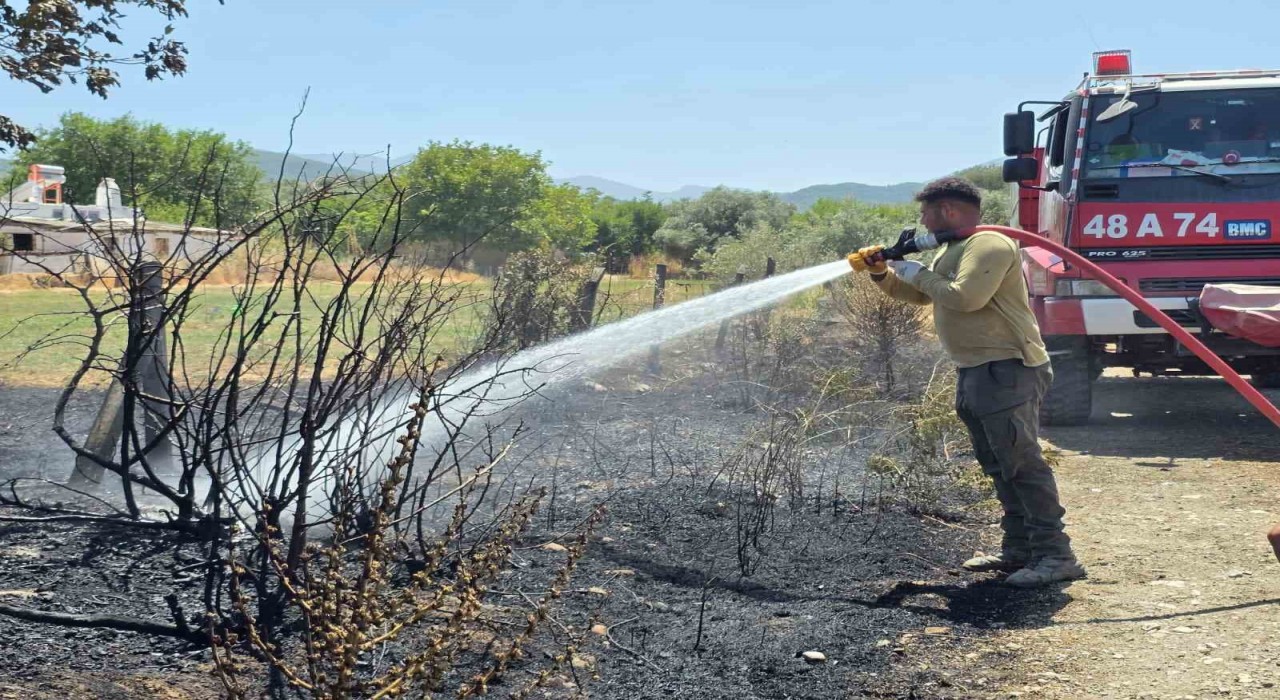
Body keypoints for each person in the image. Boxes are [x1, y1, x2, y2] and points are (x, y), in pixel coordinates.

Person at [852, 177, 1086, 588]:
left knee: (1021, 464)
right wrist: (883, 275)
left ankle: (1056, 555)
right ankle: (1019, 548)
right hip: (976, 369)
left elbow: (965, 298)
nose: (922, 221)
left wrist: (914, 270)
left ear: (948, 211)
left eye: (925, 213)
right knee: (997, 464)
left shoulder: (989, 244)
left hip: (1008, 368)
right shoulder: (954, 248)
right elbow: (925, 297)